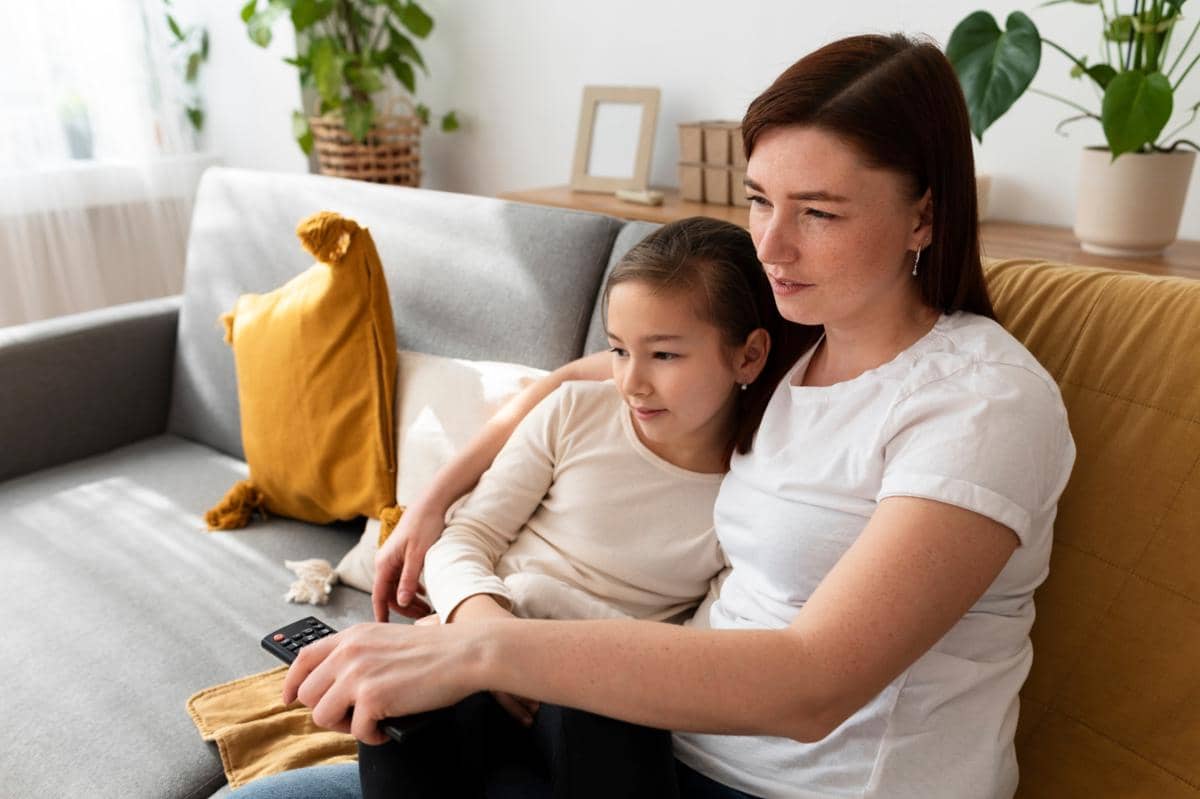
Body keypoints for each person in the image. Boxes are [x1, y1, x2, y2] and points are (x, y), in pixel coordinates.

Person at [240, 32, 1075, 799]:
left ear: (923, 214)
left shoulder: (981, 403)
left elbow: (813, 683)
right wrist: (431, 502)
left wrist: (475, 647)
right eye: (759, 201)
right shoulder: (789, 346)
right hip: (635, 745)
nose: (772, 247)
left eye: (819, 212)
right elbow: (592, 373)